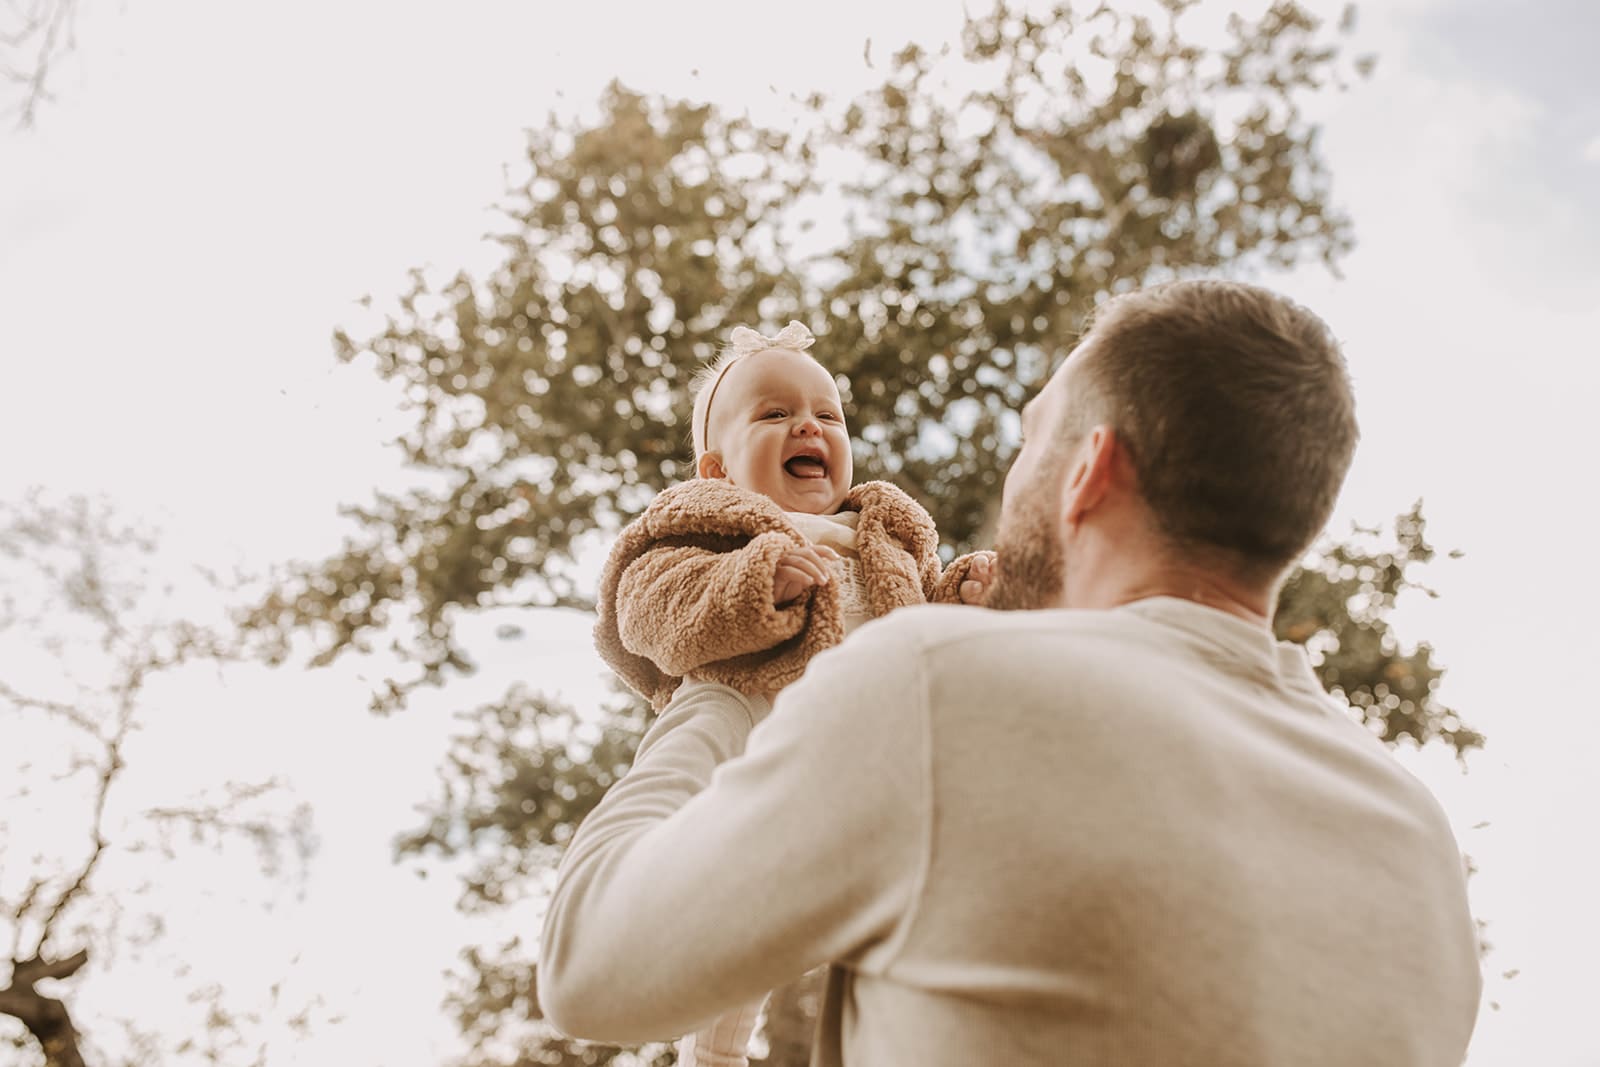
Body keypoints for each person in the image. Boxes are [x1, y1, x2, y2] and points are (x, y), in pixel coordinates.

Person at [540, 281, 1483, 1067]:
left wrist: (711, 699)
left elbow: (586, 963)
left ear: (1089, 472)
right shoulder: (1416, 842)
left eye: (1031, 439)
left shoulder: (926, 690)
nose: (1008, 480)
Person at [588, 320, 994, 1065]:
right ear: (717, 470)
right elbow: (651, 609)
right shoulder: (706, 531)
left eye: (827, 414)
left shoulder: (883, 535)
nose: (808, 423)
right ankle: (710, 1054)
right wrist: (754, 581)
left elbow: (920, 630)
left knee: (918, 933)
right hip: (759, 735)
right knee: (736, 923)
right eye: (773, 413)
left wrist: (965, 598)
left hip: (874, 759)